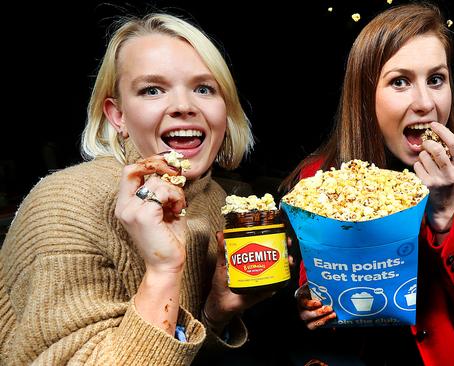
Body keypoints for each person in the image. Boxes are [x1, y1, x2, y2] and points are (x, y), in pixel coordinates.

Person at [0, 13, 271, 365]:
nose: (184, 106)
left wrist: (215, 314)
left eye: (204, 88)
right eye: (152, 90)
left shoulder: (217, 199)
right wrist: (162, 270)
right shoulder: (64, 206)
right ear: (118, 116)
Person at [282, 3, 454, 366]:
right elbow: (316, 284)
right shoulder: (319, 179)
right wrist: (308, 301)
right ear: (365, 97)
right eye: (400, 81)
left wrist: (445, 211)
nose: (426, 103)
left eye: (436, 79)